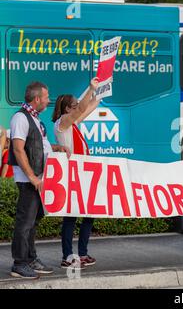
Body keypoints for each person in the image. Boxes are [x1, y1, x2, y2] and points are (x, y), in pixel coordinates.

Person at [9, 81, 70, 279]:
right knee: (25, 223)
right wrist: (33, 178)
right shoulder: (21, 118)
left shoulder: (35, 119)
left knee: (33, 222)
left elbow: (38, 146)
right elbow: (18, 149)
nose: (48, 100)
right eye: (46, 97)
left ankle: (31, 258)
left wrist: (57, 148)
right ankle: (19, 264)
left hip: (37, 178)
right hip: (29, 180)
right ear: (37, 99)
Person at [52, 77, 100, 269]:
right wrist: (91, 87)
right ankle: (67, 256)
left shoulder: (71, 123)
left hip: (82, 175)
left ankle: (82, 253)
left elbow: (90, 107)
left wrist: (101, 91)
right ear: (67, 109)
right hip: (72, 175)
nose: (78, 106)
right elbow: (82, 109)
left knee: (89, 214)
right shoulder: (62, 123)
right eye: (74, 105)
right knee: (71, 217)